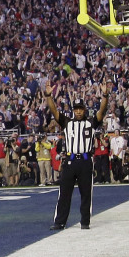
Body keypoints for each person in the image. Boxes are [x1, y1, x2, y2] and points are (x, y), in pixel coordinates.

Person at [48, 96, 103, 230]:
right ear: (73, 110)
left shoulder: (90, 123)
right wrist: (48, 96)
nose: (78, 111)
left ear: (84, 110)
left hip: (85, 161)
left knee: (86, 193)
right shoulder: (67, 122)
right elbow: (54, 111)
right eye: (76, 109)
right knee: (64, 193)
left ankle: (85, 221)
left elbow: (102, 111)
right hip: (70, 161)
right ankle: (60, 222)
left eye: (80, 109)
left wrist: (106, 96)